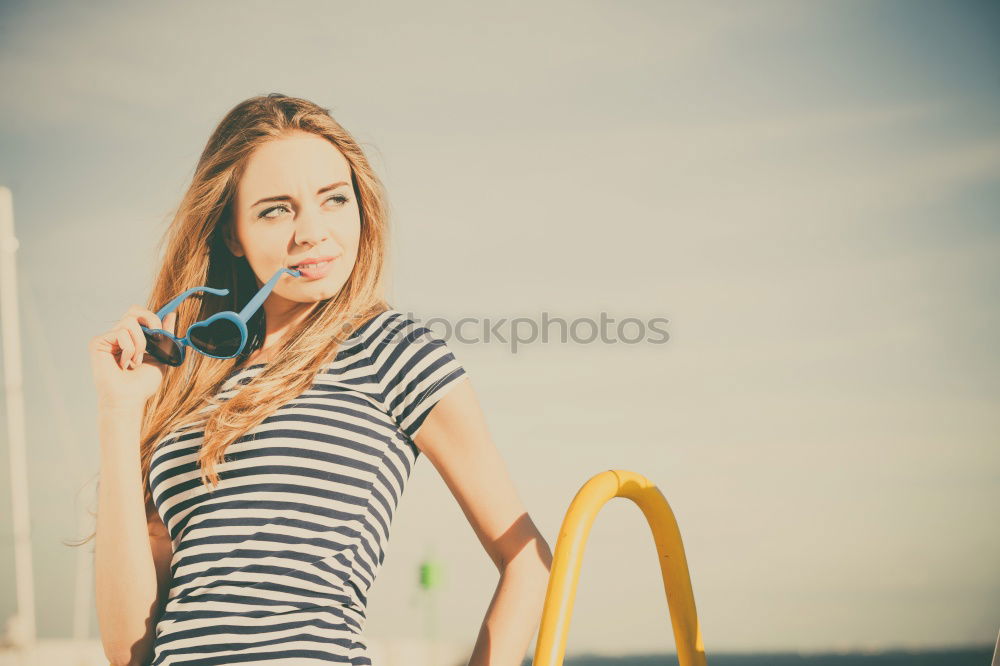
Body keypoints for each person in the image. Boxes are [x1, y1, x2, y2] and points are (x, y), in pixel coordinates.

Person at [87, 93, 553, 666]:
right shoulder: (187, 381)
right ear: (231, 233)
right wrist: (118, 412)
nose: (312, 232)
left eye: (334, 199)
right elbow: (125, 650)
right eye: (275, 209)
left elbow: (526, 557)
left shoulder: (391, 350)